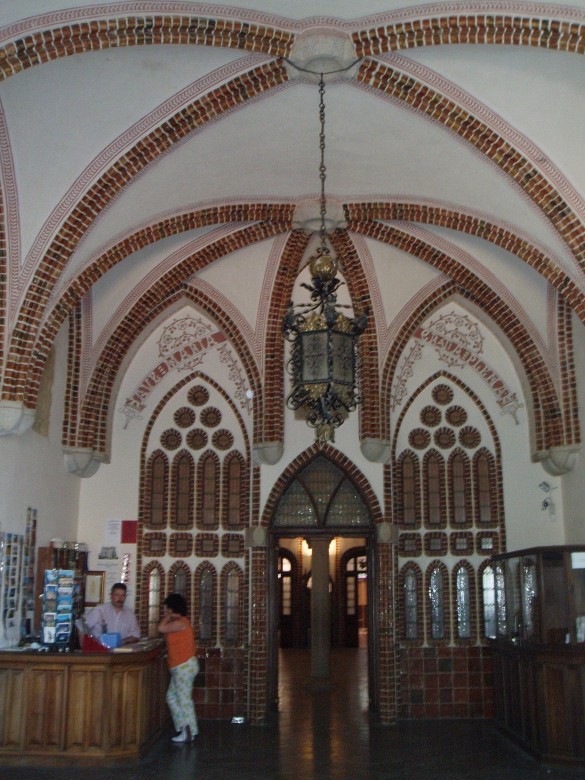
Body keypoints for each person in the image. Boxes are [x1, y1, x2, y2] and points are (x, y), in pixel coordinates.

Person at [158, 592, 199, 743]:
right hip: (180, 666)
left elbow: (161, 628)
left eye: (167, 608)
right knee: (171, 697)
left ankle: (189, 732)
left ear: (172, 608)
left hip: (184, 666)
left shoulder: (181, 622)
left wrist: (169, 616)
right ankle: (184, 728)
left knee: (184, 699)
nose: (166, 611)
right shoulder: (181, 622)